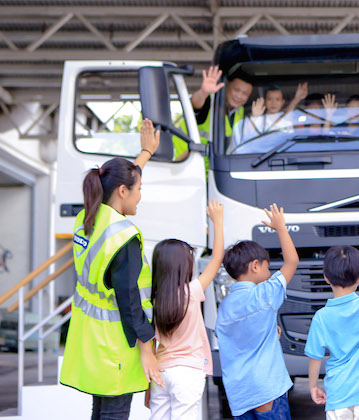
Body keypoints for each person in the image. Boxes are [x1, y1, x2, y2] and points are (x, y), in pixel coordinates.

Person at [60, 119, 165, 419]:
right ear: (122, 191)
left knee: (101, 412)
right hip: (116, 344)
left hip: (90, 338)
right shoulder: (123, 238)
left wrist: (145, 153)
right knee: (114, 413)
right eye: (139, 189)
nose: (140, 195)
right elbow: (130, 301)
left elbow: (116, 180)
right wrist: (147, 346)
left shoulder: (86, 218)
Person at [215, 203, 299, 419]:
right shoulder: (265, 294)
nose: (269, 271)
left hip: (240, 395)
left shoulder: (224, 307)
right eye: (267, 266)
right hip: (267, 388)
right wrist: (281, 227)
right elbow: (292, 261)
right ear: (254, 266)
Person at [147, 200, 224, 419]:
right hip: (188, 372)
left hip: (160, 372)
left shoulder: (154, 299)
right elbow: (217, 259)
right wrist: (217, 222)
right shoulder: (191, 292)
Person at [305, 221, 359, 419]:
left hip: (337, 392)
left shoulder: (321, 317)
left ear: (326, 277)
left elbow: (315, 356)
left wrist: (312, 386)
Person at [174, 66, 254, 159]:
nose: (239, 96)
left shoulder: (240, 111)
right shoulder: (210, 101)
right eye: (236, 90)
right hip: (189, 165)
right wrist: (203, 92)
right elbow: (194, 105)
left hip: (217, 167)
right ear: (227, 86)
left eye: (245, 93)